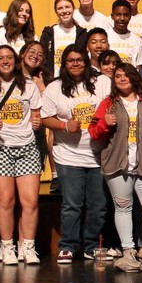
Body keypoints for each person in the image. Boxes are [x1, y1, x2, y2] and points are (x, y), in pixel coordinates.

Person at [89, 63, 142, 272]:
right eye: (118, 76)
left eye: (126, 75)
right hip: (118, 165)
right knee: (123, 207)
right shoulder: (109, 103)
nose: (122, 79)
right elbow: (94, 132)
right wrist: (104, 123)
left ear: (134, 77)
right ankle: (128, 251)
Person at [40, 45, 111, 263]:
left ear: (86, 61)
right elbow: (45, 117)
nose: (75, 64)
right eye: (70, 60)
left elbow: (114, 107)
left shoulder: (102, 82)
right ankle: (67, 246)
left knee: (98, 205)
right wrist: (64, 125)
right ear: (64, 63)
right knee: (72, 205)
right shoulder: (54, 87)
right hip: (68, 155)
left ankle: (92, 246)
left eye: (79, 59)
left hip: (99, 156)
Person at [0, 45, 43, 265]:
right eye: (1, 58)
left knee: (30, 201)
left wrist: (37, 122)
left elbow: (36, 117)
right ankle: (7, 247)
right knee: (6, 201)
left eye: (9, 58)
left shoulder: (29, 86)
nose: (5, 61)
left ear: (16, 61)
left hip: (26, 147)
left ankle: (28, 246)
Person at [40, 0, 82, 82]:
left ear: (73, 9)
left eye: (67, 7)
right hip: (52, 81)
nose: (64, 11)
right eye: (60, 8)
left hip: (75, 81)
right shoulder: (48, 34)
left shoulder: (82, 34)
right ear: (56, 11)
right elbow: (43, 60)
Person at [109, 0, 142, 66]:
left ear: (130, 17)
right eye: (118, 15)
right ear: (112, 16)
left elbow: (140, 65)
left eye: (125, 15)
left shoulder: (137, 40)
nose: (122, 18)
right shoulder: (105, 37)